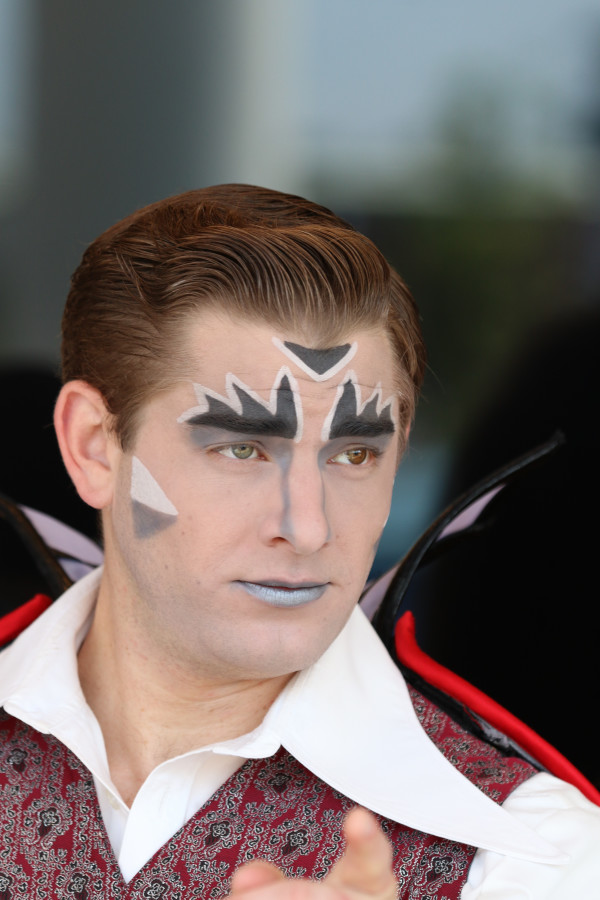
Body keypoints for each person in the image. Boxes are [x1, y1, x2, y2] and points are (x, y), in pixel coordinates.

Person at [0, 184, 598, 899]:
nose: (308, 527)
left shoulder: (541, 860)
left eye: (355, 455)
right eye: (241, 449)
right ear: (95, 447)